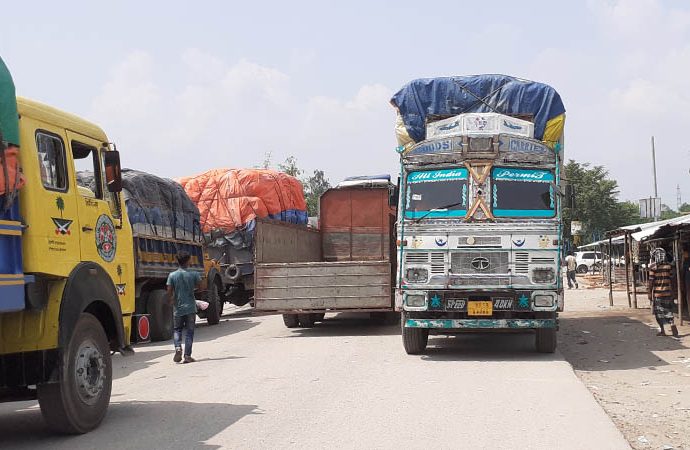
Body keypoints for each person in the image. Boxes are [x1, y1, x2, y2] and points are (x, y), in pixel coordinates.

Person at [166, 251, 202, 363]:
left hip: (178, 308)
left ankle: (177, 348)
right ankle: (187, 356)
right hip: (191, 307)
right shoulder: (194, 274)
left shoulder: (172, 275)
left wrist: (172, 300)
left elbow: (169, 291)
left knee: (177, 330)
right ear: (188, 261)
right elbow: (201, 288)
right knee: (189, 332)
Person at [647, 248, 679, 338]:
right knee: (669, 310)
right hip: (667, 292)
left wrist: (649, 292)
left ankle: (663, 331)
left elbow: (651, 281)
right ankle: (672, 324)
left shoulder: (653, 267)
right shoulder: (668, 267)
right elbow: (672, 279)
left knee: (659, 313)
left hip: (658, 293)